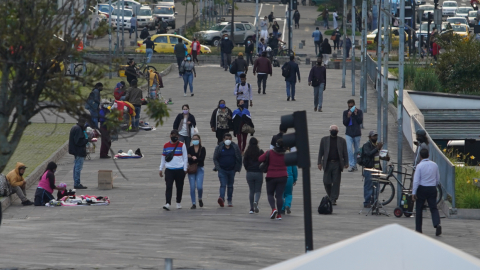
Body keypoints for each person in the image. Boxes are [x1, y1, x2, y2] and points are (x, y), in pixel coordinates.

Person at [412, 149, 442, 236]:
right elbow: (437, 179)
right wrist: (434, 186)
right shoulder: (434, 165)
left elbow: (416, 181)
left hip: (422, 188)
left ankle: (418, 229)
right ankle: (437, 224)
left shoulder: (419, 166)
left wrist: (414, 192)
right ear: (428, 155)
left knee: (419, 208)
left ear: (420, 156)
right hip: (432, 188)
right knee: (433, 208)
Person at [317, 125, 349, 205]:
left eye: (335, 130)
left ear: (337, 132)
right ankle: (331, 195)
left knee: (336, 182)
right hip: (327, 163)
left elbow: (345, 152)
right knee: (326, 181)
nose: (334, 131)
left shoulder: (342, 141)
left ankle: (333, 198)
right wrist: (319, 163)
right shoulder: (324, 140)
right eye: (332, 129)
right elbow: (320, 152)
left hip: (337, 163)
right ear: (329, 131)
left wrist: (346, 162)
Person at [258, 139, 288, 220]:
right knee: (279, 196)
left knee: (270, 194)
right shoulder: (286, 155)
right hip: (283, 176)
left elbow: (260, 159)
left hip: (271, 176)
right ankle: (279, 214)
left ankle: (273, 209)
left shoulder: (270, 152)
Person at [159, 129, 188, 211]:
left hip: (180, 169)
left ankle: (178, 202)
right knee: (168, 186)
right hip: (169, 169)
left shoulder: (182, 145)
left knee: (179, 186)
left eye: (175, 136)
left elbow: (185, 157)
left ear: (178, 137)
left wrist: (185, 168)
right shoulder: (166, 145)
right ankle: (168, 203)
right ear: (170, 136)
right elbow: (163, 158)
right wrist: (161, 168)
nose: (174, 137)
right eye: (172, 136)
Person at [213, 133, 242, 207]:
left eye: (229, 139)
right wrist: (218, 167)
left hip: (232, 169)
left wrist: (237, 168)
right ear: (223, 139)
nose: (228, 140)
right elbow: (215, 158)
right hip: (222, 169)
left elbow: (239, 157)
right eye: (226, 139)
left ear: (231, 139)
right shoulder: (219, 147)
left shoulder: (235, 147)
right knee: (223, 185)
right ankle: (221, 198)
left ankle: (229, 200)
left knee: (230, 186)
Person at [361, 131, 388, 208]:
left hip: (377, 169)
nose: (375, 138)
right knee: (368, 186)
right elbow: (368, 154)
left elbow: (381, 156)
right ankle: (367, 202)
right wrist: (377, 148)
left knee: (376, 186)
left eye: (376, 136)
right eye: (373, 136)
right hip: (369, 169)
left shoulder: (377, 146)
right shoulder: (366, 145)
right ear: (369, 137)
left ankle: (375, 201)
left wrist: (386, 157)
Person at [243, 137, 264, 214]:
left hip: (250, 173)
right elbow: (264, 160)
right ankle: (256, 201)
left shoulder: (247, 152)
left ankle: (251, 208)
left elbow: (244, 162)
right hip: (258, 172)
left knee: (251, 190)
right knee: (258, 190)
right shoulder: (260, 151)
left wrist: (247, 169)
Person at [343, 99, 363, 172]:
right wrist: (348, 116)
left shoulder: (359, 112)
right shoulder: (345, 112)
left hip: (357, 133)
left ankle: (355, 164)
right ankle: (351, 165)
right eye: (349, 107)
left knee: (357, 150)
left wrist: (356, 114)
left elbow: (360, 121)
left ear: (354, 105)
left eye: (352, 106)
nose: (350, 108)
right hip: (349, 133)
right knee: (349, 149)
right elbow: (345, 123)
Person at [68, 118, 89, 189]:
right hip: (78, 151)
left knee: (76, 166)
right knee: (78, 167)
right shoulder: (78, 129)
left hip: (75, 150)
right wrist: (87, 140)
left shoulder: (75, 128)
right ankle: (77, 183)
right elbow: (79, 142)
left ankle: (76, 182)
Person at [187, 134, 206, 209]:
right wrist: (192, 158)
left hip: (200, 168)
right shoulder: (189, 148)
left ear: (199, 140)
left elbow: (202, 159)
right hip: (191, 169)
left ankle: (200, 198)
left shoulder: (202, 149)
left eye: (196, 139)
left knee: (199, 186)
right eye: (193, 139)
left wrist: (194, 158)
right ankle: (193, 203)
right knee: (192, 187)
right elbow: (188, 159)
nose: (195, 140)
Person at [282, 148, 298, 215]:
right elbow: (294, 170)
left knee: (281, 194)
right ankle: (287, 205)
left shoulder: (278, 156)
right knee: (289, 193)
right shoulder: (290, 158)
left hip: (281, 177)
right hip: (289, 177)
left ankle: (282, 208)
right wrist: (295, 179)